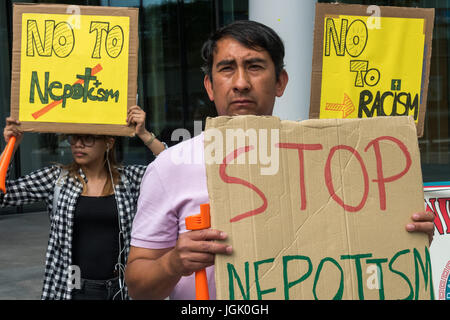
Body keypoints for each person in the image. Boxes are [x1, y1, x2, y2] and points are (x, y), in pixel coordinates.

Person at [125, 20, 435, 300]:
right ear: (209, 85)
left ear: (280, 82)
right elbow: (138, 286)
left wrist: (403, 235)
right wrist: (173, 262)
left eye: (255, 66)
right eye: (227, 68)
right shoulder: (170, 168)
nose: (241, 83)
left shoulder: (331, 159)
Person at [0, 105, 166, 300]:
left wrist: (144, 134)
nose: (78, 144)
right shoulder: (56, 179)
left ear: (108, 142)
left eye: (87, 138)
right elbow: (3, 196)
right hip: (73, 289)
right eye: (74, 138)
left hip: (121, 289)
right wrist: (12, 145)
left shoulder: (128, 179)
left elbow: (171, 171)